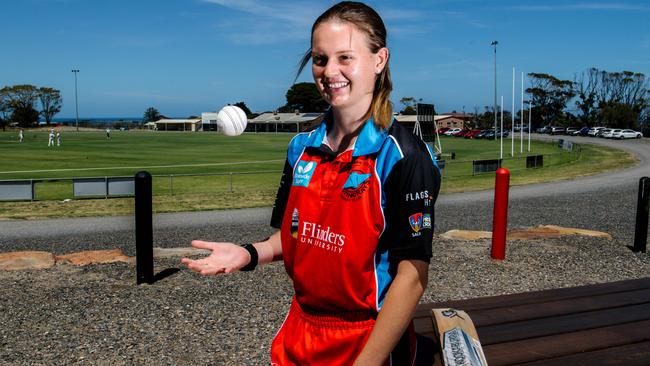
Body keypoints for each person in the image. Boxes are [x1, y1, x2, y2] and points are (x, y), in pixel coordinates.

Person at [181, 2, 440, 365]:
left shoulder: (403, 156)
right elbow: (295, 235)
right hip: (302, 331)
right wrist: (250, 253)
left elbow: (412, 278)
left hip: (367, 339)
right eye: (320, 59)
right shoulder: (301, 148)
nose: (330, 71)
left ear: (379, 60)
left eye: (345, 57)